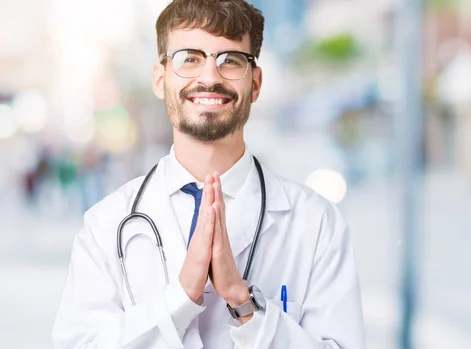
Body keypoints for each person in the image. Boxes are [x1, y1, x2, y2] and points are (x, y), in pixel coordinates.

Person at [52, 0, 365, 348]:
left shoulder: (318, 223)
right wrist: (180, 297)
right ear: (160, 79)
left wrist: (245, 303)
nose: (209, 77)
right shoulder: (104, 226)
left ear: (256, 83)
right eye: (190, 58)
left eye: (230, 60)